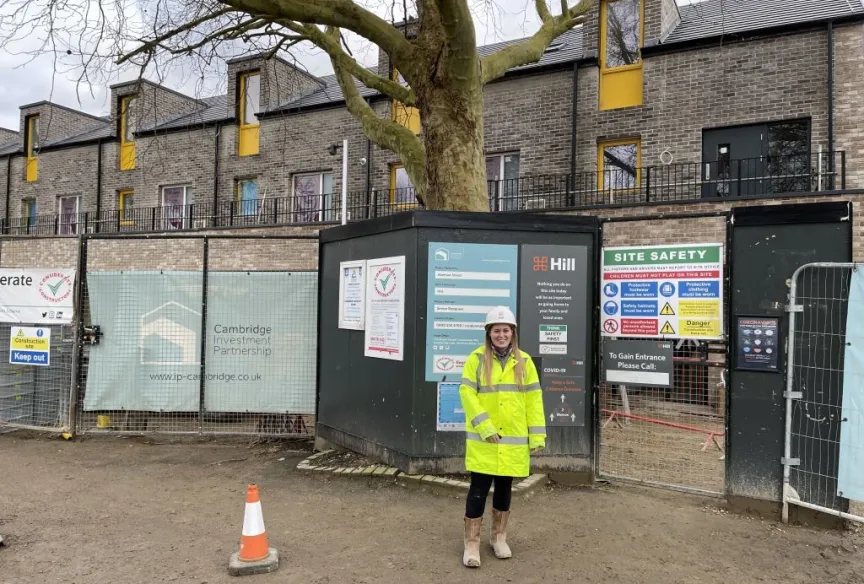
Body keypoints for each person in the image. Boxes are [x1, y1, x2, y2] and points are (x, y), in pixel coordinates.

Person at [457, 306, 546, 568]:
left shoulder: (525, 362)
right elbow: (466, 393)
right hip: (485, 441)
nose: (501, 334)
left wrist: (537, 436)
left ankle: (498, 538)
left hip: (513, 440)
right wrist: (484, 426)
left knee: (505, 489)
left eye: (506, 330)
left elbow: (534, 400)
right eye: (496, 330)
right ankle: (471, 544)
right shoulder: (476, 359)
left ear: (513, 332)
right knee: (478, 489)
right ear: (489, 333)